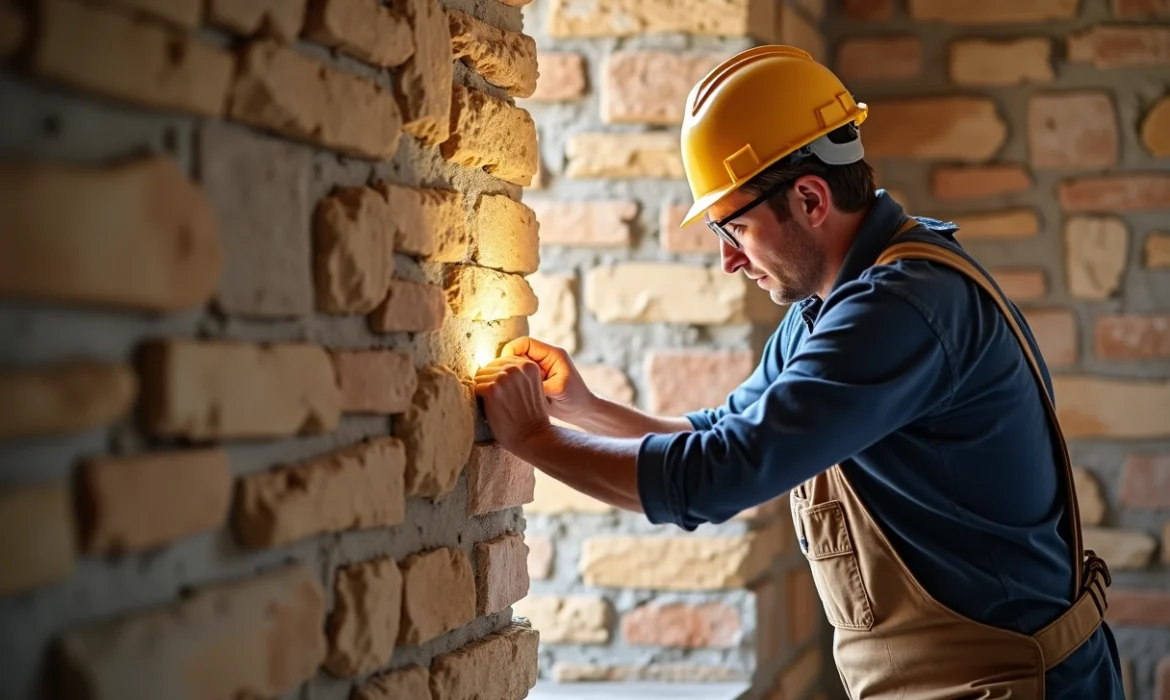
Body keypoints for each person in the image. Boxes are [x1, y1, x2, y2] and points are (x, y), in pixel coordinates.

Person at [474, 45, 1125, 699]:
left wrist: (532, 440)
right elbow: (720, 433)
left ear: (811, 199)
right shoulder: (829, 306)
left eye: (736, 228)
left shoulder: (900, 307)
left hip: (1016, 683)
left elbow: (716, 477)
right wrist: (583, 408)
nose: (729, 260)